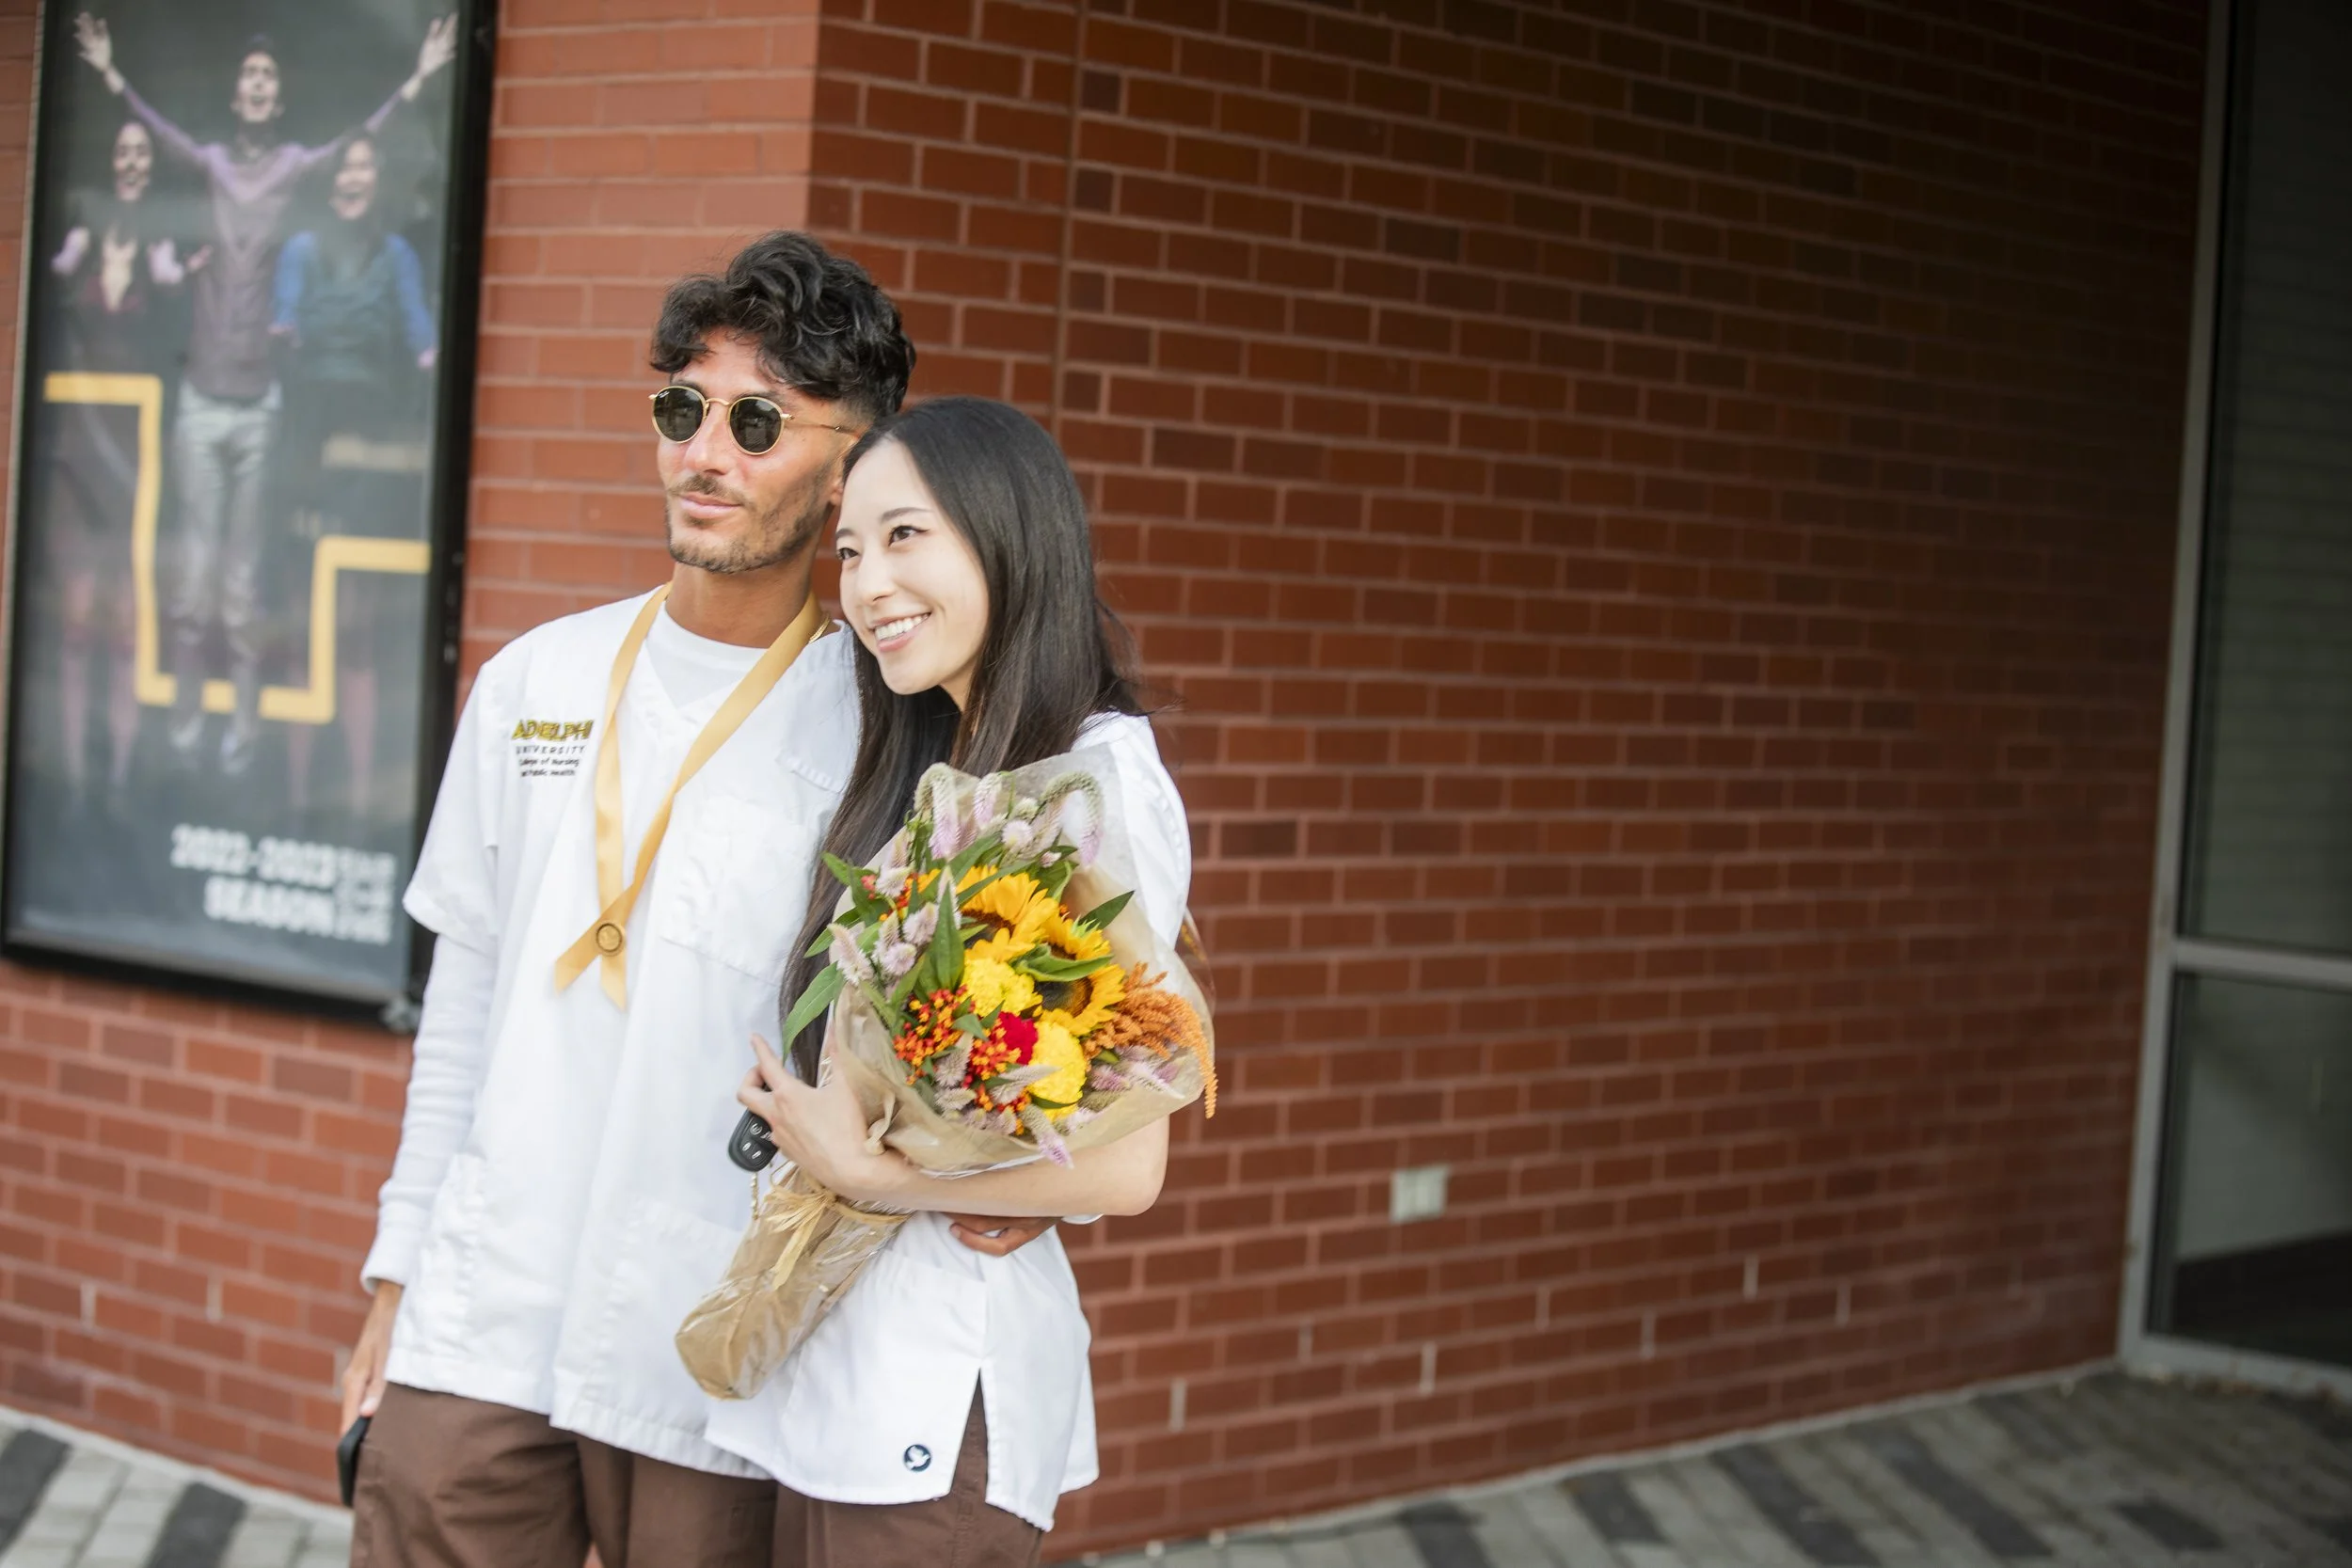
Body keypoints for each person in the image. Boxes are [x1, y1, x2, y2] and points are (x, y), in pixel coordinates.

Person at [339, 234, 1056, 1568]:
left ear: (849, 468)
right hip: (483, 1305)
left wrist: (1011, 1172)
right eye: (683, 409)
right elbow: (467, 1000)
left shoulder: (890, 728)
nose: (702, 454)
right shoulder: (534, 681)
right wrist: (397, 1276)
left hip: (706, 1331)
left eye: (757, 421)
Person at [721, 397, 1192, 1566]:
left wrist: (873, 1172)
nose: (867, 583)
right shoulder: (944, 765)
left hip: (939, 1399)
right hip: (841, 1385)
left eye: (904, 535)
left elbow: (1128, 1163)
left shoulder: (1091, 782)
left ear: (1008, 534)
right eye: (848, 550)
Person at [72, 11, 457, 775]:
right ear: (237, 93)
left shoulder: (292, 168)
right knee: (193, 580)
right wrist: (111, 75)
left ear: (277, 100)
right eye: (247, 75)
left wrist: (419, 79)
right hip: (199, 402)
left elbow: (356, 142)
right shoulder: (212, 164)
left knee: (244, 582)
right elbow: (163, 138)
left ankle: (244, 732)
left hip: (258, 409)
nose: (255, 84)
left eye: (267, 78)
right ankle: (187, 722)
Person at [272, 135, 437, 822]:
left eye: (365, 165)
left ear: (377, 181)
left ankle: (364, 803)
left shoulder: (395, 255)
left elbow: (422, 336)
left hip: (367, 454)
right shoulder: (302, 251)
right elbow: (282, 321)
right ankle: (295, 800)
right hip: (307, 454)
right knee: (301, 630)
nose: (353, 176)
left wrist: (431, 362)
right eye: (344, 165)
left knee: (359, 631)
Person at [42, 118, 196, 817]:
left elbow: (177, 338)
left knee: (129, 626)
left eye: (141, 152)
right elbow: (47, 305)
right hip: (79, 454)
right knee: (77, 625)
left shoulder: (161, 247)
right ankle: (75, 782)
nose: (132, 161)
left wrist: (169, 284)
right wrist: (66, 263)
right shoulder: (79, 241)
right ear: (111, 164)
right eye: (122, 151)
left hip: (138, 456)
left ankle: (121, 786)